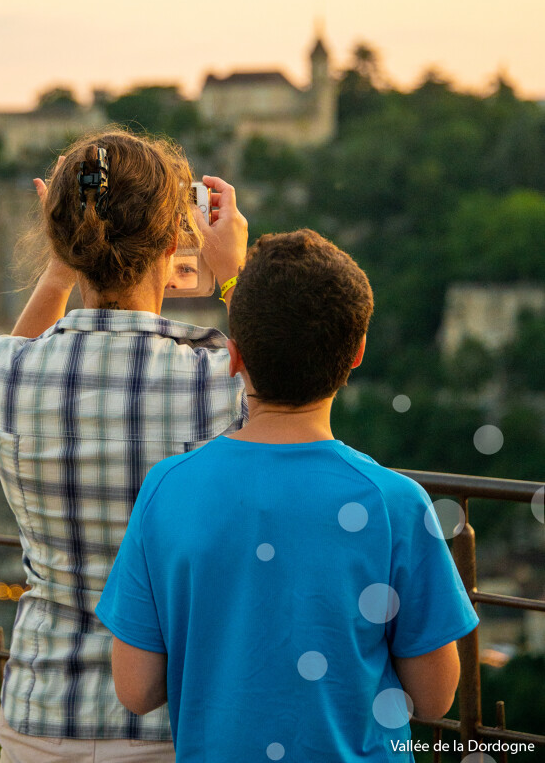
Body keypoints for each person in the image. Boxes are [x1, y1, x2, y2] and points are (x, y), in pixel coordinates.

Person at [96, 230, 480, 762]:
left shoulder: (167, 488)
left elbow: (136, 690)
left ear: (234, 357)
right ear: (356, 354)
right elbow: (436, 697)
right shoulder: (397, 505)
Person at [0, 130, 250, 762]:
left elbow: (21, 356)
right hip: (170, 720)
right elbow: (292, 394)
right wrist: (234, 275)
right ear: (176, 239)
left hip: (38, 714)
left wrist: (60, 266)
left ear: (62, 237)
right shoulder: (216, 379)